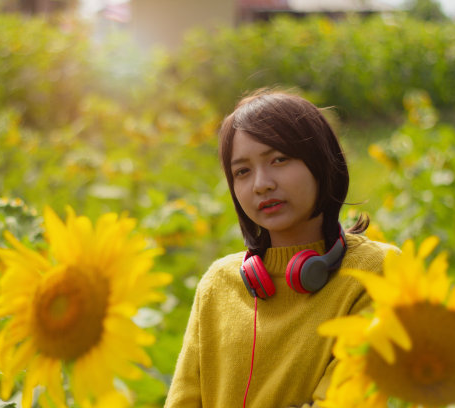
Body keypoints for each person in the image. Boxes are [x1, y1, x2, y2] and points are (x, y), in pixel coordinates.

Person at [164, 89, 396, 407]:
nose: (261, 183)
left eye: (279, 159)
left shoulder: (375, 270)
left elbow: (345, 398)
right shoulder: (217, 283)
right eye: (242, 171)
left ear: (322, 161)